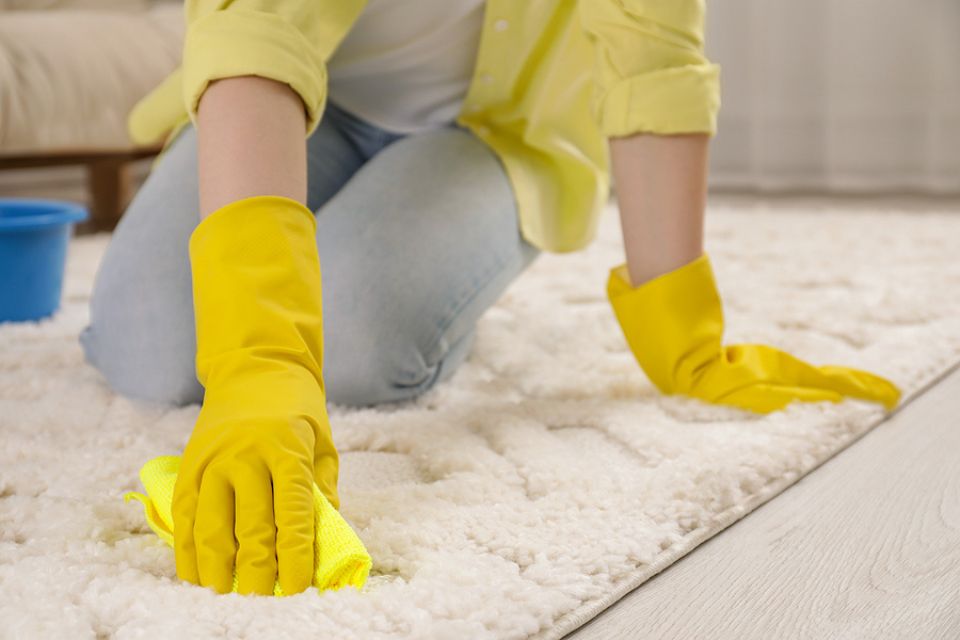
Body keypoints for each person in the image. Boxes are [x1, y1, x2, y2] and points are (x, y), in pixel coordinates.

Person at [79, 0, 901, 596]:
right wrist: (259, 360)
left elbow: (655, 66)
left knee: (362, 341)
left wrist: (681, 323)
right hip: (299, 98)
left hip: (490, 132)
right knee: (146, 348)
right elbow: (251, 31)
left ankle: (453, 271)